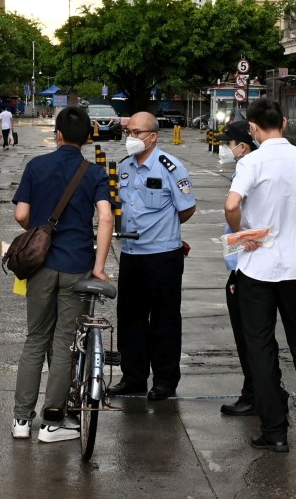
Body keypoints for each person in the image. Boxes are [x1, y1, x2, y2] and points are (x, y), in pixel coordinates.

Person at [225, 98, 296, 452]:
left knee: (261, 348)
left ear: (254, 129)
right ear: (285, 123)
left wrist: (242, 231)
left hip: (257, 269)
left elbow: (232, 204)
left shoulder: (252, 161)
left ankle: (275, 431)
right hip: (294, 268)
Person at [11, 106, 113, 443]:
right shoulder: (95, 173)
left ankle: (21, 422)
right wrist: (98, 267)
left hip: (39, 267)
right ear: (87, 138)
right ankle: (53, 423)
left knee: (34, 339)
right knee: (64, 342)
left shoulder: (36, 166)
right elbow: (106, 219)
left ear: (57, 135)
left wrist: (40, 230)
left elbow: (21, 215)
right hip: (77, 266)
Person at [107, 111, 196, 401]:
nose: (130, 138)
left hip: (162, 256)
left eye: (137, 132)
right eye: (128, 131)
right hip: (131, 254)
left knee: (164, 321)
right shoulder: (125, 167)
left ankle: (165, 381)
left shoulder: (171, 168)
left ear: (153, 136)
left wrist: (164, 229)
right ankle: (133, 377)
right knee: (130, 318)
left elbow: (187, 208)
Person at [216, 121, 291, 418]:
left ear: (243, 145)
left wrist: (240, 236)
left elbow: (237, 212)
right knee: (259, 338)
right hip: (265, 266)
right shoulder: (266, 169)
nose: (226, 149)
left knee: (251, 339)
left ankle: (256, 394)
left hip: (247, 268)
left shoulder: (249, 171)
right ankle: (270, 390)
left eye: (228, 143)